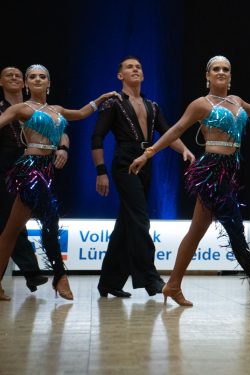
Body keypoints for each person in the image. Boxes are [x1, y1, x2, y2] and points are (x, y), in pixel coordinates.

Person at [130, 55, 250, 306]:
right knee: (234, 227)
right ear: (208, 76)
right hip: (212, 170)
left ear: (230, 76)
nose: (221, 72)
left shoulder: (236, 100)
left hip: (229, 170)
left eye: (226, 69)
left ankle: (173, 285)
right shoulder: (201, 104)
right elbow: (176, 130)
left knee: (196, 232)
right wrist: (148, 153)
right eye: (216, 69)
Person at [0, 64, 118, 300]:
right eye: (32, 77)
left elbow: (82, 113)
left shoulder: (57, 110)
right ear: (26, 84)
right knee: (47, 220)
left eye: (42, 76)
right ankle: (60, 276)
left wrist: (100, 99)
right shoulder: (21, 108)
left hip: (47, 169)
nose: (37, 79)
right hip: (30, 169)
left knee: (11, 232)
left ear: (49, 83)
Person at [92, 56, 193, 298]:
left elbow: (169, 134)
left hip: (146, 160)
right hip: (125, 162)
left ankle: (109, 282)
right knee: (139, 220)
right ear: (120, 75)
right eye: (129, 67)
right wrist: (101, 171)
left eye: (138, 67)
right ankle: (150, 278)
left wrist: (185, 150)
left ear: (143, 75)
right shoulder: (113, 103)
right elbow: (97, 137)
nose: (135, 69)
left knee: (126, 224)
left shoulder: (152, 106)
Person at [1, 66, 67, 294]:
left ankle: (35, 272)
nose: (14, 78)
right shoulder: (11, 109)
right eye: (8, 75)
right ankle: (51, 274)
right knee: (13, 228)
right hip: (9, 172)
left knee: (13, 229)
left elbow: (61, 128)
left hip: (34, 169)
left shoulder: (42, 109)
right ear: (0, 82)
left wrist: (63, 148)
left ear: (24, 83)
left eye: (18, 75)